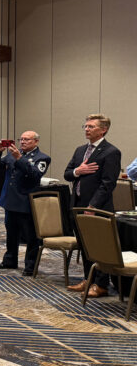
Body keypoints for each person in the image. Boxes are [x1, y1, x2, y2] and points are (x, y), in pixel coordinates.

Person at [64, 113, 121, 298]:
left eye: (91, 126)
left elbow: (108, 184)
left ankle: (101, 285)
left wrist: (92, 207)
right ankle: (88, 279)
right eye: (85, 126)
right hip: (77, 205)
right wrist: (77, 171)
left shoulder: (111, 152)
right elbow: (67, 174)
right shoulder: (80, 150)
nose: (87, 129)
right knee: (84, 246)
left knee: (99, 247)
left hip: (96, 208)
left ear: (103, 129)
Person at [0, 131, 50, 276]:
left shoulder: (42, 158)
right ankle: (10, 260)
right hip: (10, 200)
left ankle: (30, 266)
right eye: (21, 139)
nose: (22, 142)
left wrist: (19, 158)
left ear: (36, 142)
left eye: (27, 140)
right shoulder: (12, 154)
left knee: (30, 236)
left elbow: (35, 174)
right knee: (11, 233)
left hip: (26, 202)